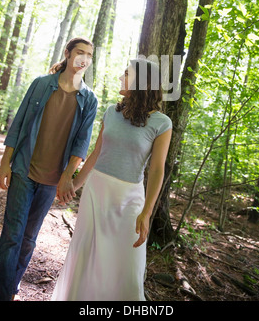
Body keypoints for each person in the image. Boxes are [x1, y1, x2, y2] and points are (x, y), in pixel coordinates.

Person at [51, 58, 172, 301]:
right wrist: (74, 185)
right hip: (97, 192)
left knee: (127, 263)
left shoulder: (162, 123)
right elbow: (96, 153)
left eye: (126, 74)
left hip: (130, 200)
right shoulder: (111, 113)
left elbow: (157, 170)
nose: (120, 77)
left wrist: (147, 212)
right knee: (86, 254)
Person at [0, 37, 98, 301]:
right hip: (24, 170)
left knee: (28, 239)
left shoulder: (89, 100)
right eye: (80, 52)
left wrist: (67, 176)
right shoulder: (40, 85)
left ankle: (10, 288)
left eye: (89, 55)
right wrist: (6, 162)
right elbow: (20, 124)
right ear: (68, 54)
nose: (84, 58)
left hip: (51, 181)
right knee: (12, 237)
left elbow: (82, 144)